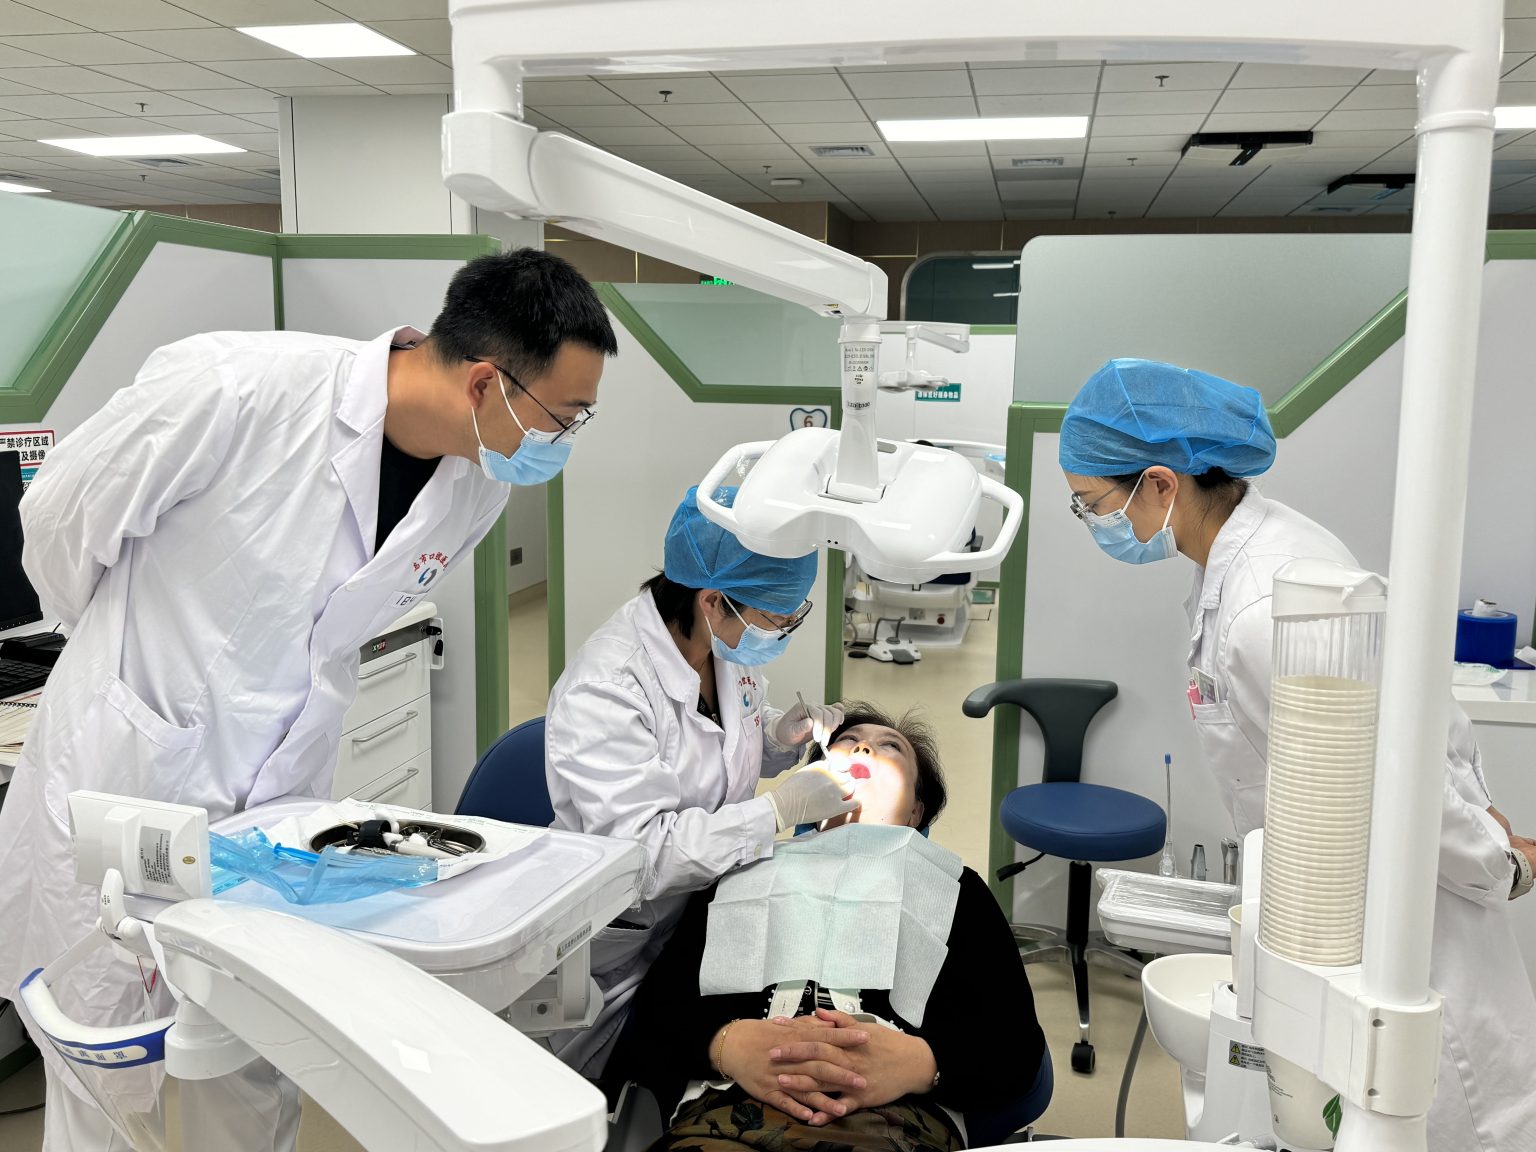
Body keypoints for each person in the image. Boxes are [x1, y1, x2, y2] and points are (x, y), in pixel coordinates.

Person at [0, 248, 616, 1152]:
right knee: (112, 1077)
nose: (565, 438)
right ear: (486, 381)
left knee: (256, 1060)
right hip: (132, 776)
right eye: (564, 416)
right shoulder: (235, 388)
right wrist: (134, 673)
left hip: (276, 812)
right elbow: (59, 527)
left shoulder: (476, 478)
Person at [1059, 357, 1536, 1151]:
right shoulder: (1245, 557)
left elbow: (1395, 777)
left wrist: (1499, 861)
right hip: (1335, 898)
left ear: (1160, 485)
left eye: (1093, 504)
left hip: (1409, 924)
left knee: (1449, 1114)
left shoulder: (1265, 603)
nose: (1092, 521)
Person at [605, 703, 1047, 1151]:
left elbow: (1014, 1048)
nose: (864, 748)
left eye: (891, 748)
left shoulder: (953, 888)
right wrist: (727, 1044)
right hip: (728, 1112)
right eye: (847, 742)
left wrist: (920, 1063)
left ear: (916, 812)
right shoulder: (740, 873)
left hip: (897, 1122)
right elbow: (657, 1015)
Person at [545, 487, 858, 1075]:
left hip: (700, 915)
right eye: (776, 619)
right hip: (611, 942)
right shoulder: (607, 689)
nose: (783, 630)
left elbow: (717, 744)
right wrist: (778, 812)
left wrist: (777, 736)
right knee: (608, 1081)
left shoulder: (720, 645)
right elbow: (646, 855)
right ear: (713, 601)